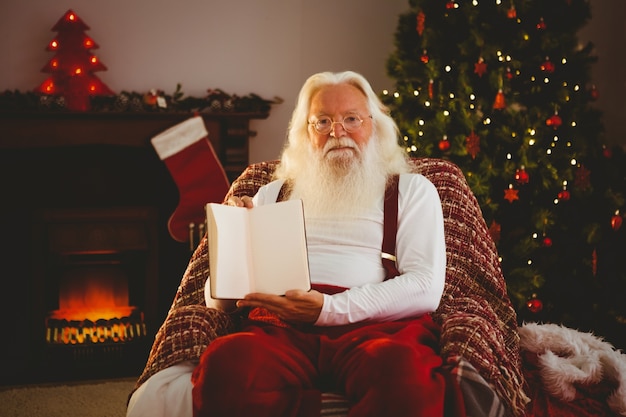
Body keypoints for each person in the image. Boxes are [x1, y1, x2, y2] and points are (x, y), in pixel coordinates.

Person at [127, 70, 452, 417]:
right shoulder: (271, 193)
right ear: (305, 134)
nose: (336, 132)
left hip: (378, 328)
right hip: (279, 327)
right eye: (322, 121)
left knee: (403, 375)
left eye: (351, 119)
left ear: (375, 126)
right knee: (229, 366)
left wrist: (328, 309)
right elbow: (219, 302)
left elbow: (425, 286)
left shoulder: (411, 191)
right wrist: (234, 240)